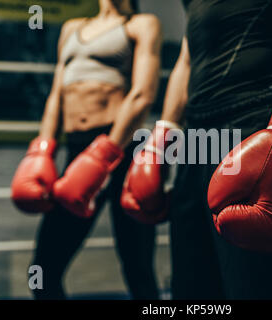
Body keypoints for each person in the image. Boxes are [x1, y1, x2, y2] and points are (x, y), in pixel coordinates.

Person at [121, 0, 272, 299]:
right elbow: (188, 57)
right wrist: (161, 140)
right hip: (196, 139)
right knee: (192, 290)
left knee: (267, 287)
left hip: (255, 124)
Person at [11, 0, 162, 299]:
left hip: (121, 149)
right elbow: (57, 95)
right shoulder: (72, 28)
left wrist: (105, 153)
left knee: (138, 268)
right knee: (43, 269)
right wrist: (41, 150)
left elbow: (142, 95)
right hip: (77, 150)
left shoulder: (141, 24)